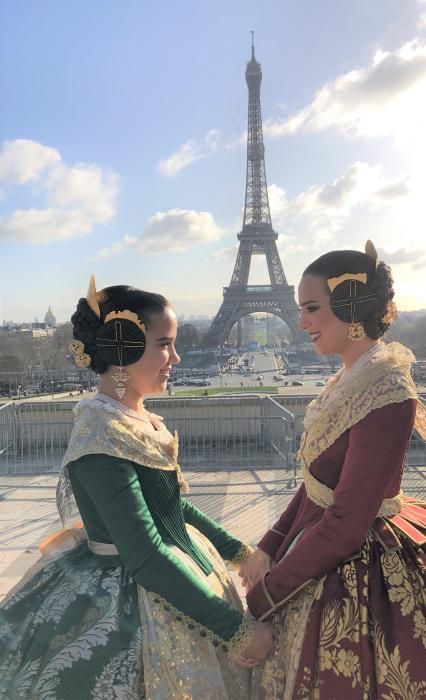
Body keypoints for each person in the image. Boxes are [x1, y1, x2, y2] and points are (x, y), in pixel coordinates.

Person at [240, 242, 426, 699]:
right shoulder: (354, 379)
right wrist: (271, 543)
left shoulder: (389, 391)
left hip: (354, 559)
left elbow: (347, 524)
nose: (302, 322)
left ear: (350, 308)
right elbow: (317, 485)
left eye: (312, 308)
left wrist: (265, 598)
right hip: (335, 546)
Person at [0, 277, 272, 699]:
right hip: (138, 605)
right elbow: (145, 555)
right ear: (124, 350)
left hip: (172, 583)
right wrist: (235, 631)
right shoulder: (100, 436)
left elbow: (174, 508)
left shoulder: (133, 421)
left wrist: (241, 552)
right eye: (164, 344)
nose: (175, 357)